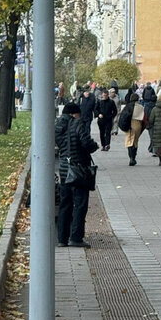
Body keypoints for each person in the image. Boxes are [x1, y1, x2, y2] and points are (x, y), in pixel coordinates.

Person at [55, 102, 99, 248]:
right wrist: (94, 146)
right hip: (78, 169)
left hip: (64, 170)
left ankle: (62, 239)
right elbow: (86, 143)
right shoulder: (77, 124)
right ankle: (76, 237)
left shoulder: (56, 126)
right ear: (74, 113)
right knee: (80, 204)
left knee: (65, 205)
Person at [121, 91, 145, 165]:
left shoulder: (128, 106)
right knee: (135, 141)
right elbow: (144, 118)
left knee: (129, 141)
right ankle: (134, 157)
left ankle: (131, 158)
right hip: (138, 124)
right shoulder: (141, 107)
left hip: (130, 124)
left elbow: (123, 116)